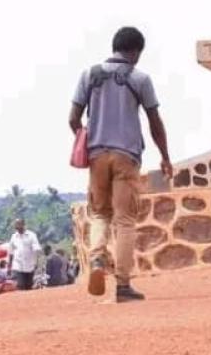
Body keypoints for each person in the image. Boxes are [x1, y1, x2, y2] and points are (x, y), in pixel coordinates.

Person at [69, 26, 172, 302]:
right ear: (136, 52)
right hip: (126, 156)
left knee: (100, 214)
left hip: (96, 155)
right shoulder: (139, 78)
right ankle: (123, 285)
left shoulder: (90, 75)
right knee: (125, 220)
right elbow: (154, 122)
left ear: (115, 47)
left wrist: (84, 140)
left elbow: (72, 118)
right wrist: (165, 156)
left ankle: (98, 261)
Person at [7, 218, 42, 291]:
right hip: (17, 266)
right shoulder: (13, 237)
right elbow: (11, 252)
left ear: (23, 225)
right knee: (20, 285)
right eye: (16, 224)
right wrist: (9, 266)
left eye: (18, 224)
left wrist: (36, 262)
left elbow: (36, 250)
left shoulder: (31, 235)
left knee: (28, 286)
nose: (17, 226)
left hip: (29, 266)